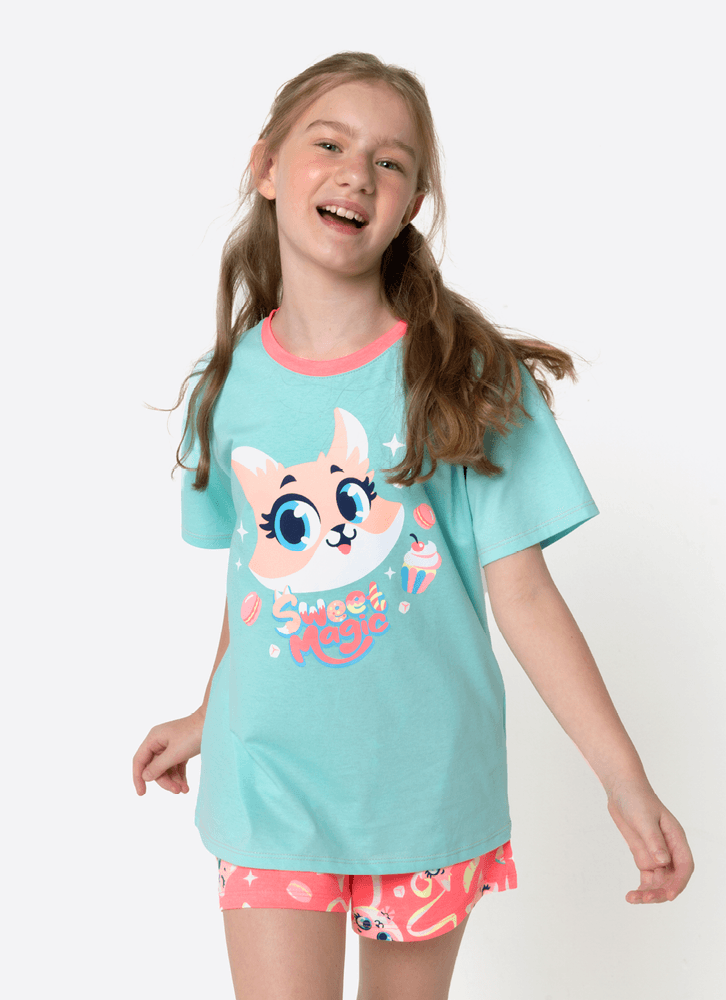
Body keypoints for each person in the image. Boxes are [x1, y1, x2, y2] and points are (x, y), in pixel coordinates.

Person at [132, 51, 694, 1000]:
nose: (357, 172)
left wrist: (625, 780)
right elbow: (258, 579)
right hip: (264, 778)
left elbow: (525, 598)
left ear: (411, 206)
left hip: (424, 789)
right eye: (329, 144)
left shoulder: (464, 376)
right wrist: (207, 712)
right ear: (266, 167)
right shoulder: (223, 388)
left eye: (389, 162)